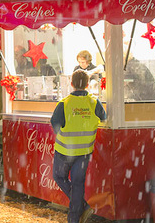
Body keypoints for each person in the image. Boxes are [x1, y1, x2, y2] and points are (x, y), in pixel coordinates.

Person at [50, 70, 107, 223]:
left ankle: (81, 206)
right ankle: (74, 217)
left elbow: (55, 124)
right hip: (84, 152)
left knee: (59, 177)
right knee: (77, 183)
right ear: (88, 85)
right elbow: (104, 118)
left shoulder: (65, 103)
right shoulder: (94, 102)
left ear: (71, 84)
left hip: (64, 151)